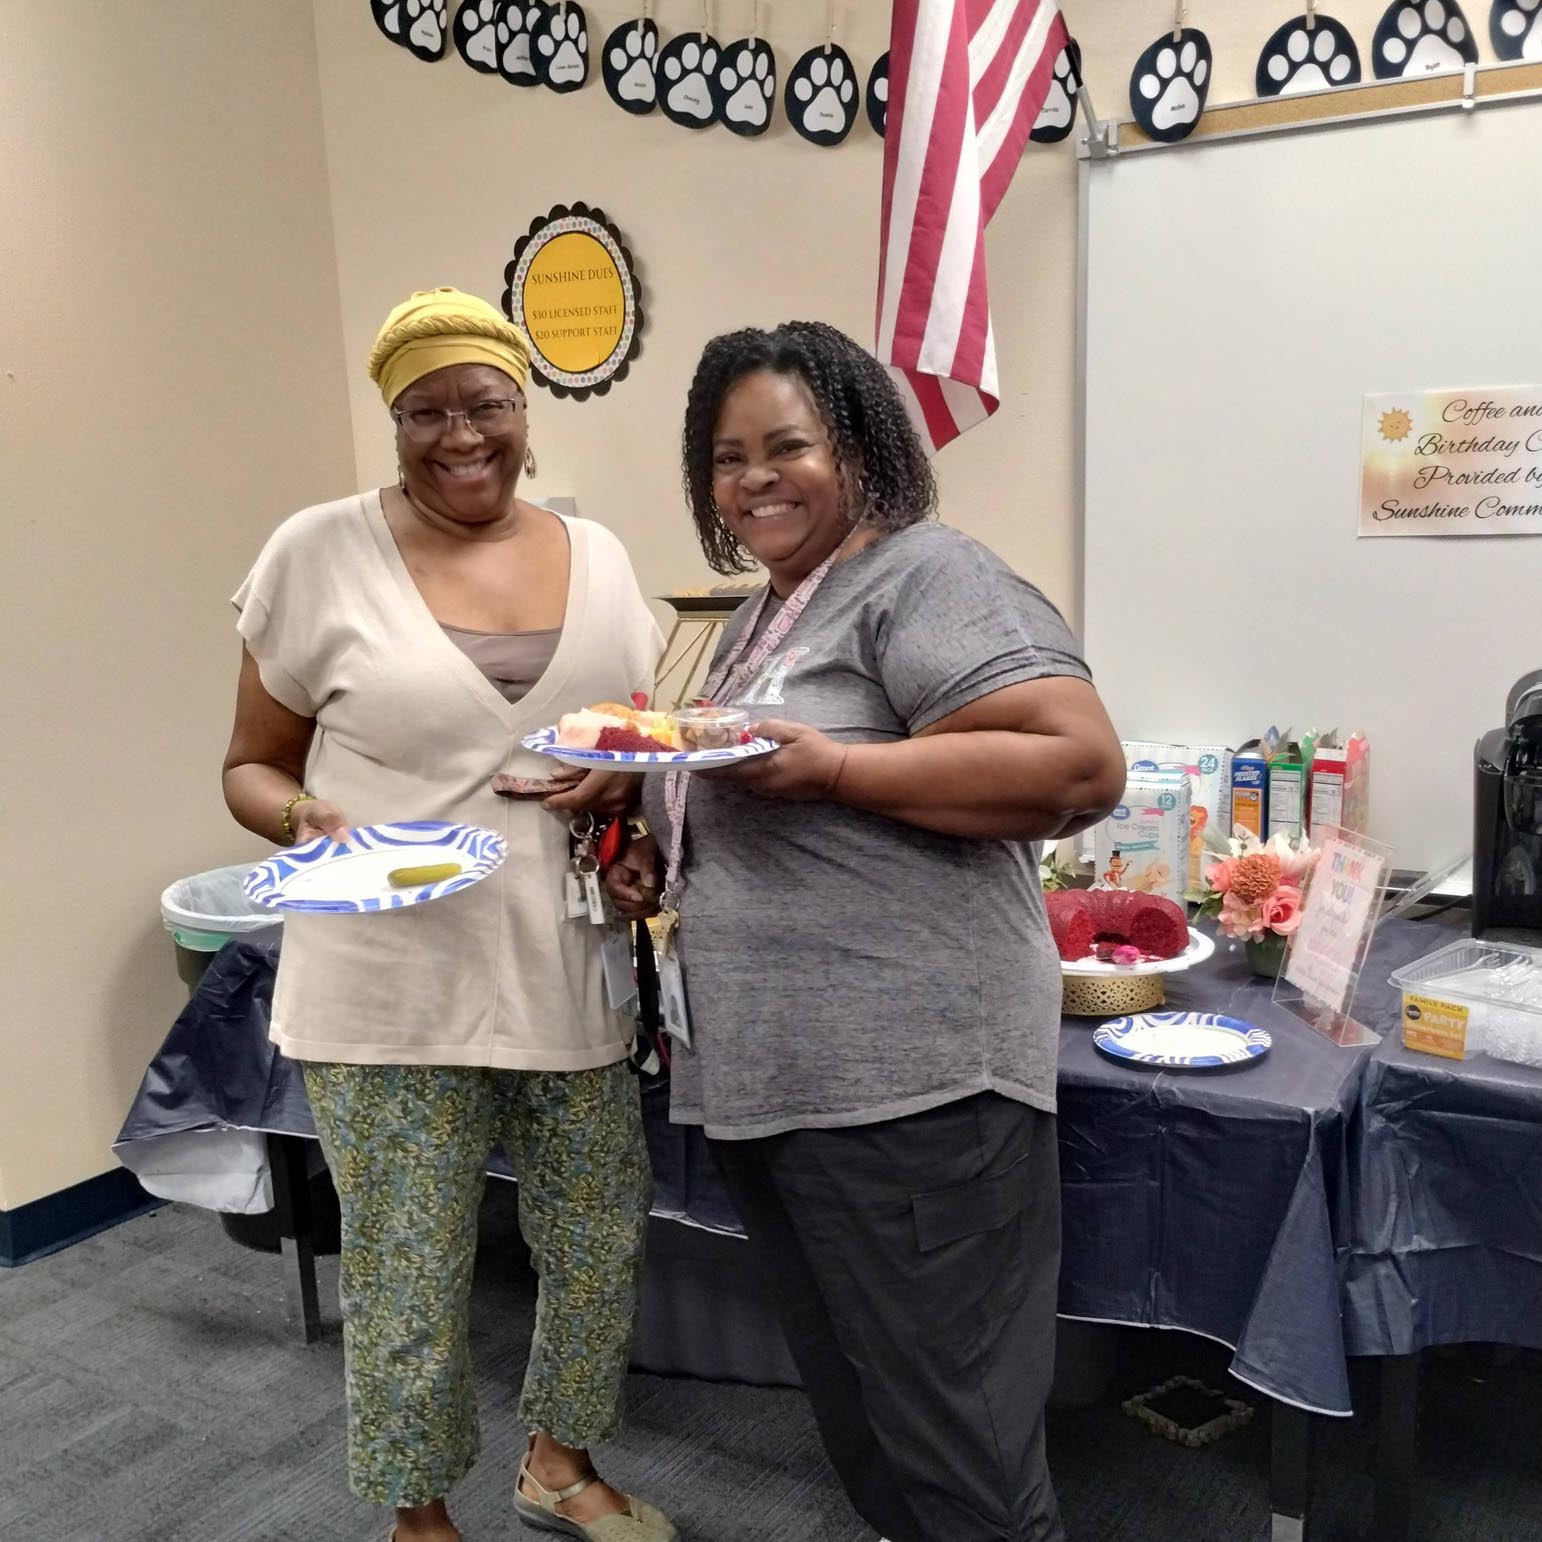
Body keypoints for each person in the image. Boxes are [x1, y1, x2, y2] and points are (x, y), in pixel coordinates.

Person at [605, 321, 1126, 1542]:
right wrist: (659, 848)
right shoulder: (761, 617)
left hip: (909, 1096)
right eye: (727, 458)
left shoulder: (927, 574)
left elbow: (1077, 764)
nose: (756, 479)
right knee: (873, 1426)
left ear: (858, 447)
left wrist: (840, 770)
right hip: (781, 1090)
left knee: (962, 1453)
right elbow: (767, 802)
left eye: (788, 446)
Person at [222, 287, 676, 1542]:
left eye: (485, 404)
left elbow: (628, 747)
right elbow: (249, 765)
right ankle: (419, 1517)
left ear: (525, 410)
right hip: (386, 976)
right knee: (409, 1267)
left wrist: (631, 829)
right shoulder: (316, 552)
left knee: (597, 1237)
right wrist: (304, 819)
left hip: (565, 960)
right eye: (426, 412)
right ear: (394, 422)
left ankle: (559, 1462)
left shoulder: (601, 558)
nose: (461, 435)